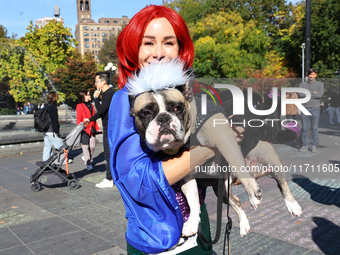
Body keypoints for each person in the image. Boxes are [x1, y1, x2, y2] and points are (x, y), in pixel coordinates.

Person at [108, 5, 216, 254]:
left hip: (199, 227)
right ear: (134, 48)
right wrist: (209, 150)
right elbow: (137, 181)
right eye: (148, 43)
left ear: (180, 49)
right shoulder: (125, 100)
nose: (158, 53)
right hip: (154, 239)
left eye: (168, 42)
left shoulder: (187, 95)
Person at [84, 72, 115, 188]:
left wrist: (96, 98)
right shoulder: (108, 93)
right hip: (109, 125)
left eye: (97, 81)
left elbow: (101, 110)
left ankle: (109, 179)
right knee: (109, 152)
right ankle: (112, 177)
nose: (95, 83)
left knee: (108, 152)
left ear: (103, 81)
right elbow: (102, 112)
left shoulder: (109, 94)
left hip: (110, 126)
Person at [298, 68, 324, 153]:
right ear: (307, 75)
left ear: (316, 75)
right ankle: (304, 145)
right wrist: (313, 93)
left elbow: (319, 95)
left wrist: (307, 93)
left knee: (314, 128)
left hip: (315, 108)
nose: (311, 76)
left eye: (313, 74)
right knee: (304, 128)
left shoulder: (320, 84)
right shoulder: (302, 84)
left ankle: (313, 145)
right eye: (310, 74)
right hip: (304, 108)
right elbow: (300, 94)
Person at [42, 92, 70, 164]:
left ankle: (46, 160)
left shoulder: (46, 106)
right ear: (55, 98)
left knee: (47, 146)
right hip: (52, 131)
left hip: (45, 130)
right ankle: (63, 160)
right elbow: (54, 120)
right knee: (60, 146)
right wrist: (56, 130)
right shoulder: (53, 107)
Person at [76, 90, 101, 171]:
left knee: (92, 146)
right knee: (85, 147)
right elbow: (78, 119)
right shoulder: (79, 106)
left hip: (92, 129)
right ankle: (88, 163)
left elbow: (94, 119)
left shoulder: (92, 106)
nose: (90, 96)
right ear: (84, 96)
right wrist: (80, 129)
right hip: (84, 129)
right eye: (88, 94)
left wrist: (97, 129)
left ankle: (87, 158)